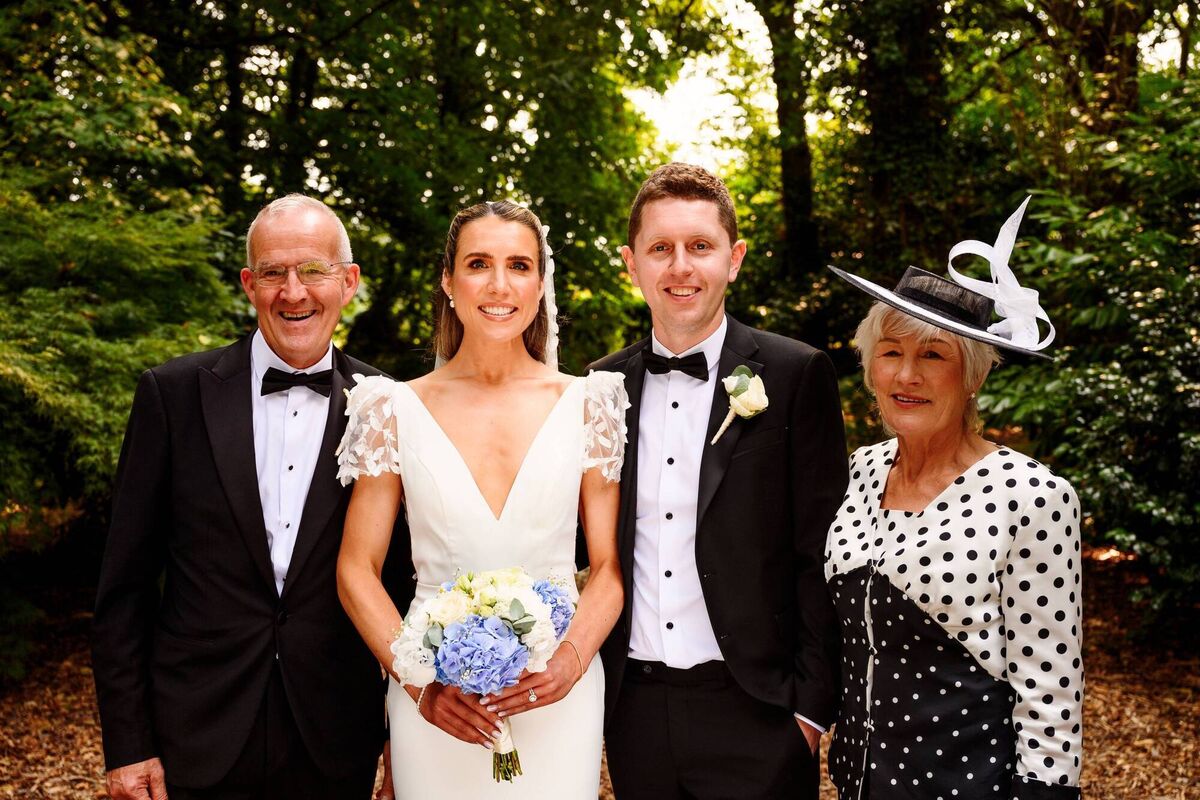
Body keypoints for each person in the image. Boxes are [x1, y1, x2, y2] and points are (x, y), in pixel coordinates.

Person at [92, 194, 409, 800]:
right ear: (248, 283)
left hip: (334, 736)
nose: (294, 292)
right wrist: (129, 746)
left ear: (348, 283)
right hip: (193, 733)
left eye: (313, 270)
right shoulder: (172, 395)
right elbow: (123, 591)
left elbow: (403, 586)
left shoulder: (389, 404)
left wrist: (404, 733)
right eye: (274, 273)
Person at [335, 200, 626, 798]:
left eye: (519, 265)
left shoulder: (590, 404)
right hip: (438, 693)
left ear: (541, 282)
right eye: (478, 264)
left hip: (555, 693)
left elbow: (608, 570)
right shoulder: (391, 408)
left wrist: (569, 662)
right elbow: (355, 569)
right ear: (448, 280)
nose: (499, 285)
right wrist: (419, 686)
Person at [589, 163, 847, 800]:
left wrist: (808, 713)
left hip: (759, 712)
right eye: (660, 249)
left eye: (700, 246)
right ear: (632, 264)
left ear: (733, 259)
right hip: (636, 712)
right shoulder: (598, 390)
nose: (680, 267)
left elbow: (821, 549)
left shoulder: (795, 374)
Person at [824, 197, 1083, 798]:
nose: (905, 376)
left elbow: (1051, 691)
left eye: (932, 355)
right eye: (891, 352)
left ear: (973, 376)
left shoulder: (1033, 496)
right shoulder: (856, 475)